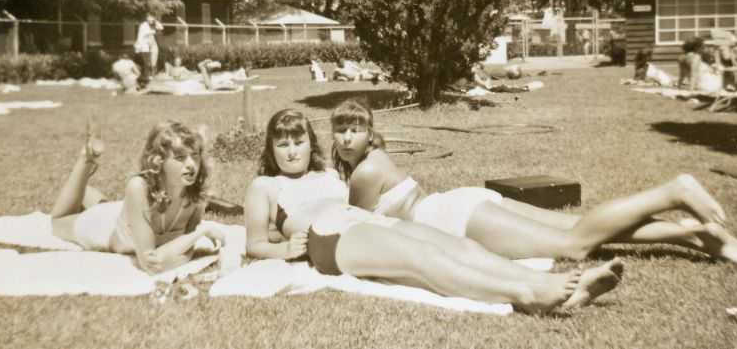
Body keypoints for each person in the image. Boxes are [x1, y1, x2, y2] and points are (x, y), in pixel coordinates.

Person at [244, 109, 624, 314]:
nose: (292, 150)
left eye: (299, 141)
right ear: (271, 148)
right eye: (283, 144)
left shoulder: (328, 173)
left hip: (366, 221)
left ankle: (555, 289)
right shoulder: (264, 186)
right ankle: (529, 292)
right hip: (329, 236)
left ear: (311, 144)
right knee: (421, 259)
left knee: (457, 246)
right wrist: (283, 249)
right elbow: (254, 244)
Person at [331, 99, 737, 266]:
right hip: (461, 203)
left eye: (354, 130)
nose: (347, 137)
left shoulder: (365, 172)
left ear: (370, 133)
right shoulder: (376, 158)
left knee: (575, 245)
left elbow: (359, 229)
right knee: (579, 226)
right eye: (340, 130)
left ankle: (672, 191)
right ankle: (694, 237)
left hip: (455, 218)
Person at [50, 121, 228, 273]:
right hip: (101, 224)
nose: (191, 165)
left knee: (105, 204)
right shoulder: (138, 186)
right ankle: (87, 159)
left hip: (127, 213)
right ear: (159, 162)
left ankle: (88, 192)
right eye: (180, 157)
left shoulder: (196, 193)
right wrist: (201, 232)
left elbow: (186, 250)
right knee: (58, 221)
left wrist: (185, 246)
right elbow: (151, 265)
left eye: (195, 156)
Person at [134, 14, 163, 87]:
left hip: (152, 45)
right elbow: (144, 34)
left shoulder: (153, 24)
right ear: (147, 18)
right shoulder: (143, 25)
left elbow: (161, 27)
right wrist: (154, 31)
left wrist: (155, 22)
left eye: (153, 18)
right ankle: (146, 79)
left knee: (153, 63)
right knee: (146, 63)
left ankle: (152, 77)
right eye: (150, 17)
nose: (152, 19)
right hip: (144, 46)